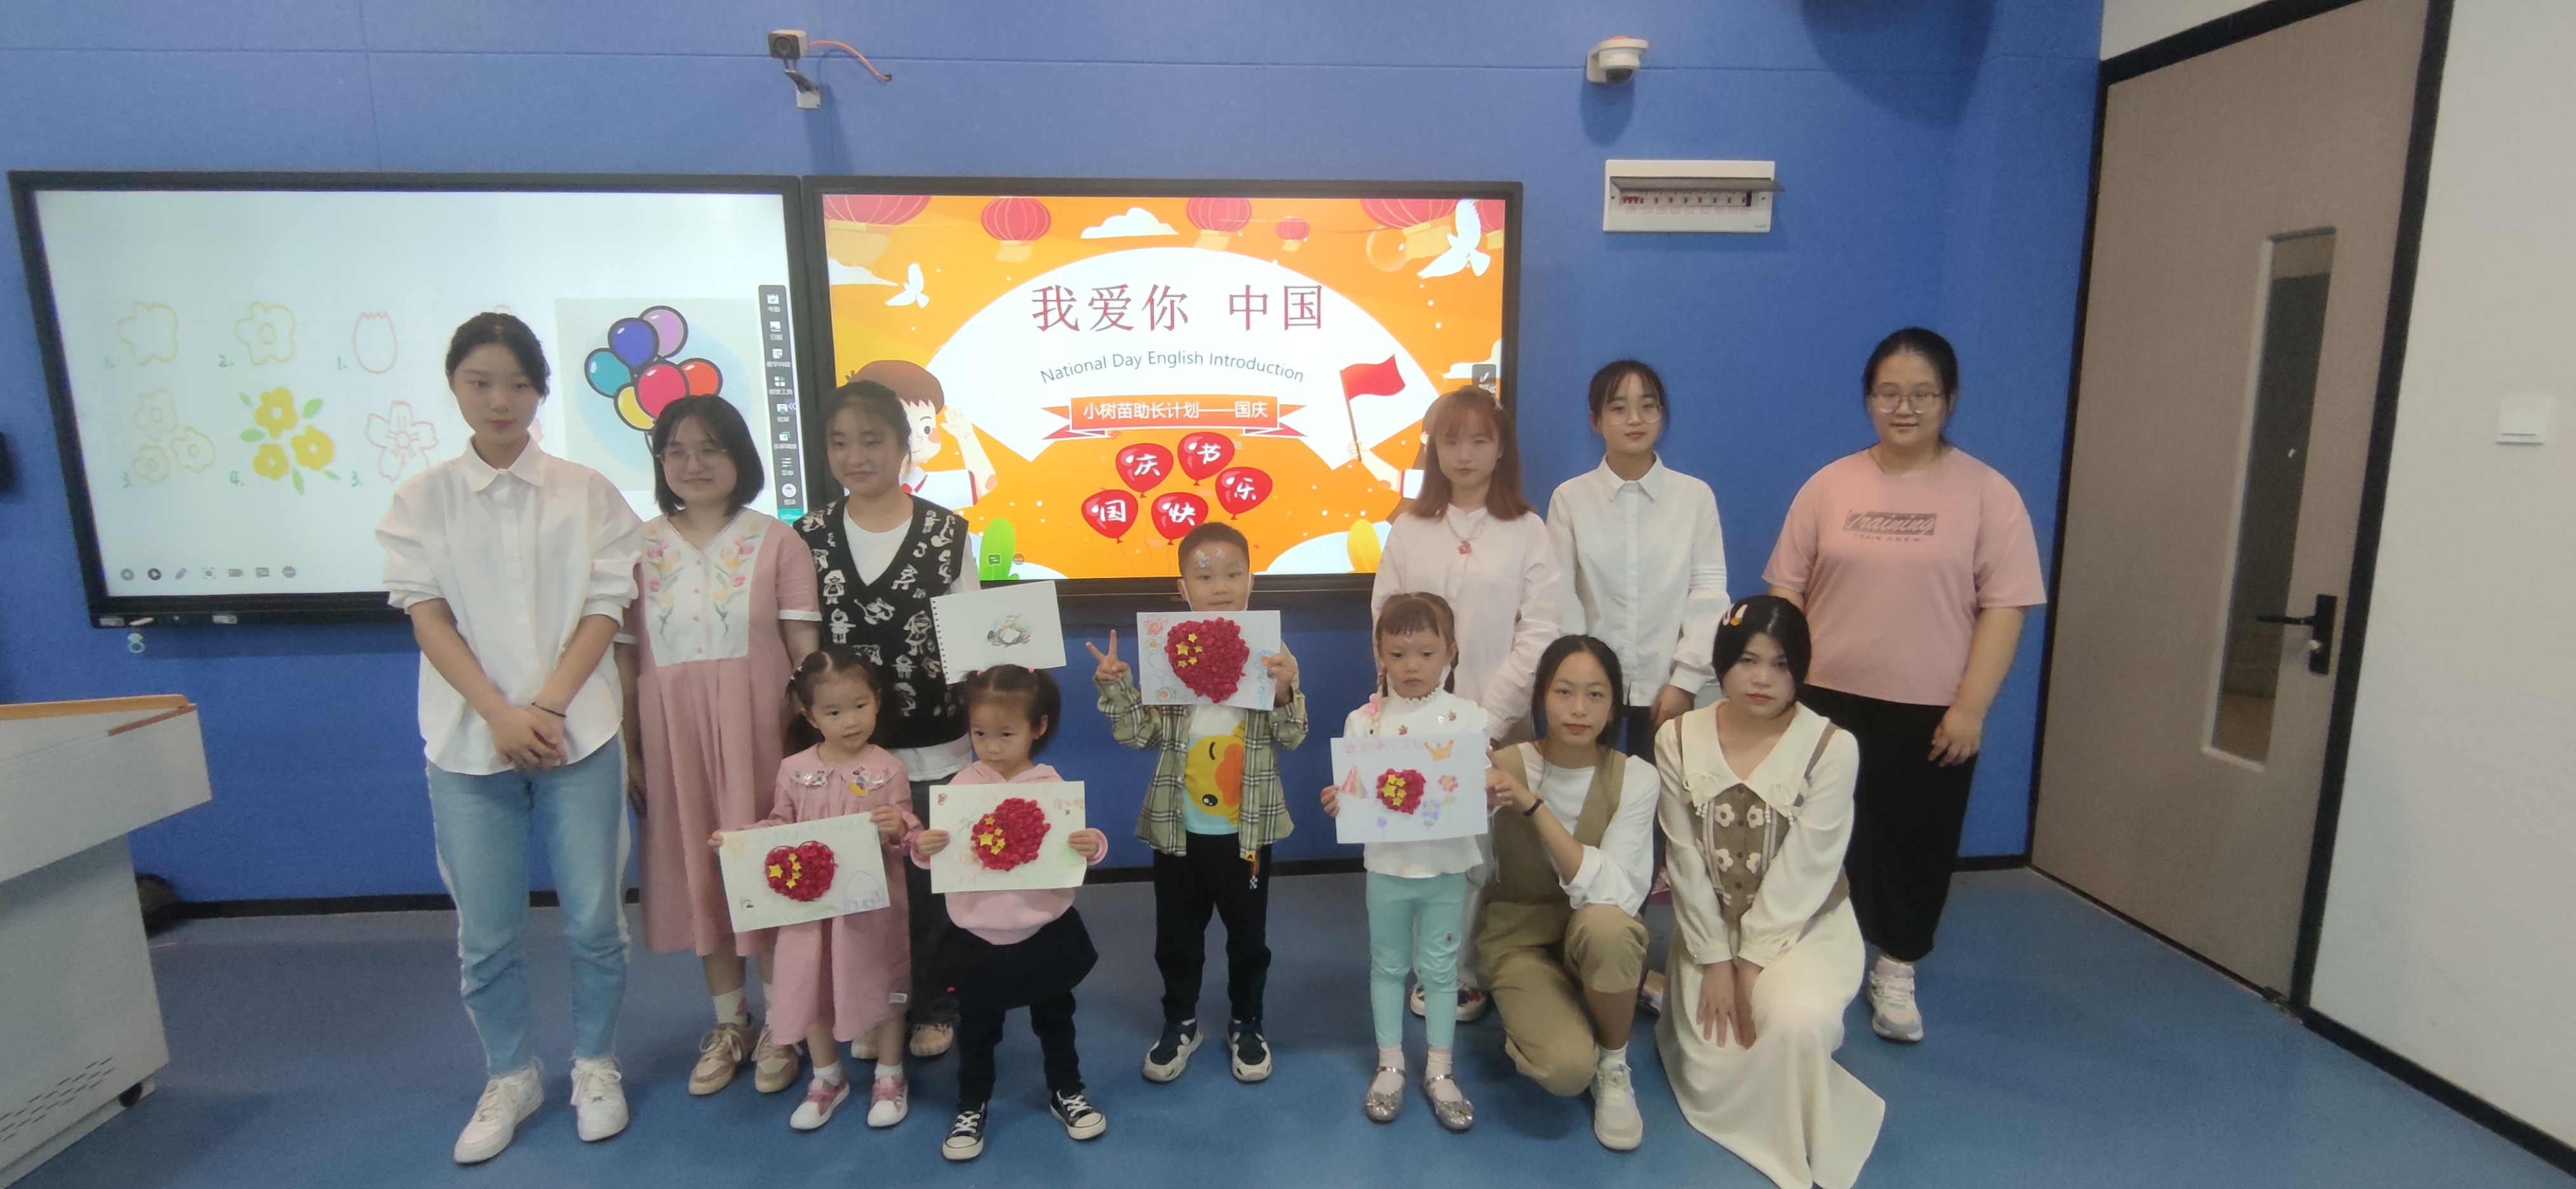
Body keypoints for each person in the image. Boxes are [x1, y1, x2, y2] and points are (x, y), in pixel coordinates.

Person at [377, 312, 643, 1164]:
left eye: (519, 384)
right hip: (469, 742)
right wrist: (498, 713)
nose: (500, 400)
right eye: (481, 382)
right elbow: (428, 617)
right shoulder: (421, 500)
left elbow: (607, 607)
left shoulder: (587, 492)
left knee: (594, 919)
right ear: (455, 387)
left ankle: (596, 1064)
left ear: (541, 391)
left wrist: (551, 707)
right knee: (486, 931)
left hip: (581, 735)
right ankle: (510, 1075)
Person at [1764, 327, 2046, 1044]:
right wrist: (1785, 686)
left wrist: (1971, 707)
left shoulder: (1989, 494)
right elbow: (1786, 589)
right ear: (1868, 399)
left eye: (1923, 394)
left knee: (1917, 844)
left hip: (1933, 710)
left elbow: (2006, 606)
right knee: (1814, 839)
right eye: (1889, 393)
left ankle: (1896, 966)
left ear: (1949, 400)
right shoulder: (1830, 486)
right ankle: (1804, 962)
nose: (1905, 408)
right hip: (1825, 701)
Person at [615, 394, 819, 1098]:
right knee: (699, 873)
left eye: (710, 448)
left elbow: (805, 650)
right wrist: (631, 749)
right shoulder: (636, 547)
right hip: (674, 739)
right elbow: (624, 657)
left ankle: (785, 1025)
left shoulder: (778, 541)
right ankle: (731, 1022)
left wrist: (811, 747)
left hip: (762, 733)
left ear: (740, 456)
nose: (693, 464)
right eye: (676, 451)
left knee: (769, 870)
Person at [1655, 596, 1883, 1188]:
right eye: (1748, 661)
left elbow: (1808, 868)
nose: (1762, 679)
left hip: (1803, 931)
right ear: (1722, 663)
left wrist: (1752, 963)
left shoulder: (1832, 747)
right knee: (1715, 1061)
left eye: (1781, 665)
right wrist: (1716, 961)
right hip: (1710, 931)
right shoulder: (1678, 737)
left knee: (1795, 1024)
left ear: (1800, 670)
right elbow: (1684, 859)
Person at [795, 377, 979, 1059]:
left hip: (934, 746)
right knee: (860, 887)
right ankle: (874, 1008)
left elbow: (972, 641)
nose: (855, 456)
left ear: (904, 445)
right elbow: (802, 649)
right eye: (839, 442)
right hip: (846, 755)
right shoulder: (808, 537)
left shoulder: (945, 533)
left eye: (871, 440)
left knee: (930, 885)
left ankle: (936, 1005)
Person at [1372, 385, 1564, 1024]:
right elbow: (1385, 621)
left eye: (1479, 440)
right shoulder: (1410, 528)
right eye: (1451, 440)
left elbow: (1540, 631)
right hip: (1412, 719)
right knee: (1418, 846)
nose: (1464, 454)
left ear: (1501, 448)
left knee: (1478, 853)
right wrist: (1412, 705)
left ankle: (1459, 971)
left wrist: (1483, 719)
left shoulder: (1527, 530)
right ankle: (1423, 966)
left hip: (1497, 722)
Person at [1089, 520, 1305, 1085]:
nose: (1221, 586)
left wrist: (1285, 691)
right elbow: (1140, 735)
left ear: (1252, 580)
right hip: (1178, 827)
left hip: (1247, 831)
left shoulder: (1273, 652)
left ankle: (1247, 1021)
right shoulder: (1169, 652)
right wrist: (1117, 685)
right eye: (1205, 577)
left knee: (1248, 937)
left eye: (1234, 573)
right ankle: (1181, 1020)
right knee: (1177, 936)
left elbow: (1292, 736)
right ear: (1183, 588)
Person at [912, 665, 1111, 1161]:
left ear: (1038, 727)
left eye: (1006, 734)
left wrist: (1092, 844)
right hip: (976, 934)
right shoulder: (961, 786)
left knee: (1056, 1019)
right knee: (978, 1029)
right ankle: (971, 1104)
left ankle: (1067, 1090)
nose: (992, 747)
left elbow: (1076, 844)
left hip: (1043, 929)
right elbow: (940, 852)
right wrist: (924, 847)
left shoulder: (1051, 786)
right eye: (980, 734)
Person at [720, 647, 917, 1132]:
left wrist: (899, 826)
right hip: (808, 913)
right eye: (833, 712)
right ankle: (827, 1076)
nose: (850, 721)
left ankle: (890, 1074)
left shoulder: (889, 769)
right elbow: (779, 826)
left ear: (877, 701)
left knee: (883, 982)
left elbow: (908, 838)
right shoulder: (794, 770)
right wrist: (741, 842)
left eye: (860, 706)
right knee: (811, 984)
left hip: (872, 912)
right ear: (810, 716)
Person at [1320, 592, 1496, 1132]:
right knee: (1388, 966)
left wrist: (1490, 791)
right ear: (1380, 653)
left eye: (1426, 653)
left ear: (1451, 652)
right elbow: (1355, 793)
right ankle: (1391, 1063)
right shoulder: (1364, 722)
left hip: (1446, 867)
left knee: (1440, 971)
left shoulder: (1469, 718)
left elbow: (1476, 793)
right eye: (1397, 654)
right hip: (1388, 868)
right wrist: (1341, 799)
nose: (1411, 666)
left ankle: (1440, 1069)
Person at [1479, 636, 1661, 1151]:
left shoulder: (1636, 777)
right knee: (1565, 1070)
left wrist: (1533, 807)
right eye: (1564, 692)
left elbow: (1617, 889)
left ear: (1614, 705)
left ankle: (1615, 1063)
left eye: (1595, 695)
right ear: (1542, 697)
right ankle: (1549, 1010)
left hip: (1593, 931)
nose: (1579, 709)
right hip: (1518, 939)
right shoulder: (1499, 767)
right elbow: (1460, 865)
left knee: (1610, 927)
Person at [1546, 360, 1731, 757]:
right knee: (1590, 790)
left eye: (1648, 407)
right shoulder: (1570, 498)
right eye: (1618, 408)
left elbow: (1709, 593)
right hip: (1590, 693)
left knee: (1666, 791)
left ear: (1662, 415)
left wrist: (1685, 681)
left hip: (1670, 686)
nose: (1635, 419)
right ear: (1595, 421)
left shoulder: (1694, 497)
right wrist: (1581, 681)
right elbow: (1561, 595)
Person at [850, 359, 997, 509]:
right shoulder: (854, 484)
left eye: (927, 429)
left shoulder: (929, 487)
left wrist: (966, 435)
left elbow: (985, 482)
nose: (917, 438)